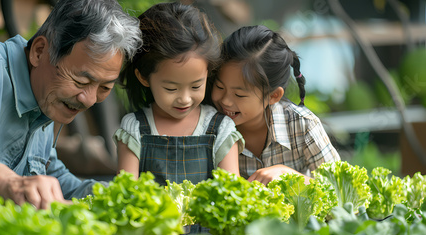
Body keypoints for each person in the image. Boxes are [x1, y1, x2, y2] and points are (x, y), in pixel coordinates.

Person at [0, 0, 142, 209]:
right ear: (39, 51)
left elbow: (48, 178)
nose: (89, 100)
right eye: (81, 82)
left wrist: (110, 198)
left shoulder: (45, 99)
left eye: (104, 88)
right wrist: (11, 183)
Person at [114, 2, 244, 185]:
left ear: (208, 73)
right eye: (171, 89)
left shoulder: (220, 128)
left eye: (196, 86)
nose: (185, 99)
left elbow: (232, 193)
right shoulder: (135, 128)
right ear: (144, 77)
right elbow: (126, 193)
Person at [211, 25, 340, 186]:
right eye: (219, 87)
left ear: (273, 96)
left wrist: (290, 176)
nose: (225, 101)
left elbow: (339, 188)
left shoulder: (302, 125)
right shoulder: (209, 124)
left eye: (239, 95)